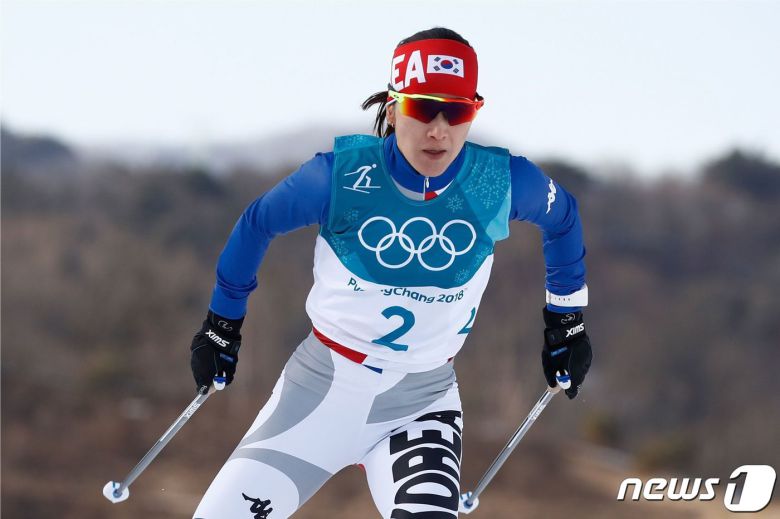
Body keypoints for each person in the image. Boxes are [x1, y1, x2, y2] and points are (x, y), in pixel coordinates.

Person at [190, 27, 592, 519]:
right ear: (394, 103)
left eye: (458, 112)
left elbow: (563, 217)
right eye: (423, 108)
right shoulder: (338, 175)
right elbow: (258, 223)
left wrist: (566, 322)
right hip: (319, 390)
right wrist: (222, 325)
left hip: (421, 402)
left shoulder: (500, 181)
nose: (438, 130)